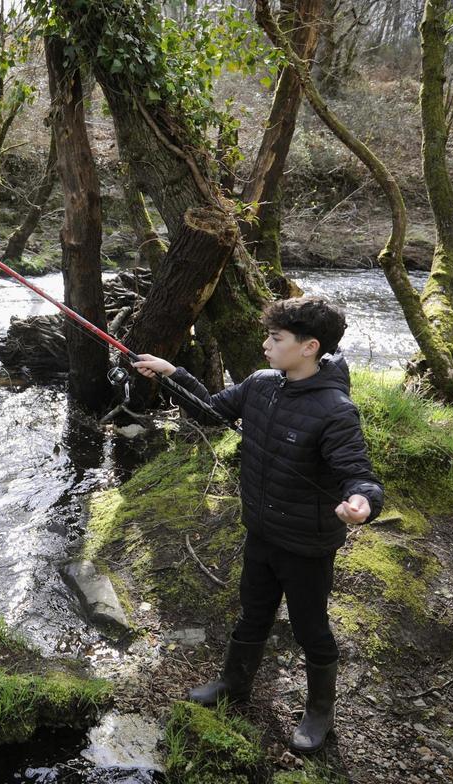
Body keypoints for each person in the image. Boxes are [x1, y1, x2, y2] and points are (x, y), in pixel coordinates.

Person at [132, 296, 383, 753]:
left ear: (310, 347)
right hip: (261, 531)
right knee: (252, 611)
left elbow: (358, 473)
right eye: (268, 335)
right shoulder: (262, 384)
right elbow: (211, 411)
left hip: (306, 545)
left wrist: (362, 502)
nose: (266, 344)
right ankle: (234, 683)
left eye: (276, 338)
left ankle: (321, 712)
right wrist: (173, 375)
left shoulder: (335, 409)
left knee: (311, 628)